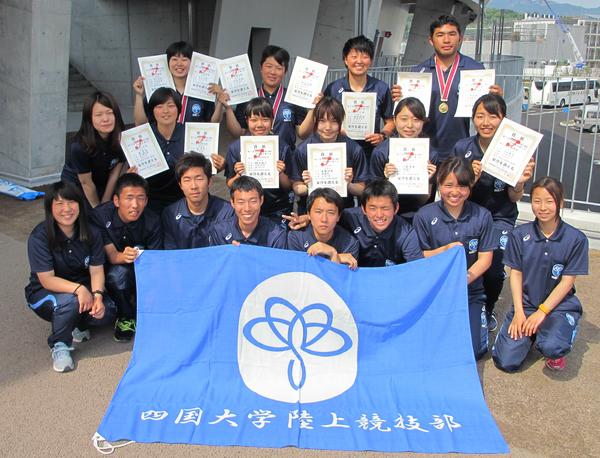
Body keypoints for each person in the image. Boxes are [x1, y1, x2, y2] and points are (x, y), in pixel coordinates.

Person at [452, 94, 535, 331]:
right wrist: (471, 180)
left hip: (501, 216)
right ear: (473, 119)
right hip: (469, 214)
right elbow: (453, 192)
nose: (485, 121)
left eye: (492, 116)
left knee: (495, 266)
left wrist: (519, 183)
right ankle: (464, 306)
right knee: (465, 260)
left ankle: (487, 309)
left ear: (503, 119)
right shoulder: (463, 147)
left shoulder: (514, 148)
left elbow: (513, 196)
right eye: (480, 116)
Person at [492, 177, 589, 372]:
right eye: (537, 201)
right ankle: (532, 334)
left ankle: (556, 335)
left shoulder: (576, 239)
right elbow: (516, 275)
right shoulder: (519, 235)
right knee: (506, 362)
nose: (542, 207)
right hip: (526, 305)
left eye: (549, 201)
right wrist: (519, 312)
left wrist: (542, 312)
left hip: (558, 308)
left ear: (561, 203)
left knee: (552, 347)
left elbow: (567, 282)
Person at [25, 182, 116, 372]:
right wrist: (80, 289)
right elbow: (47, 279)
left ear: (80, 205)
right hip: (44, 293)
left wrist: (97, 296)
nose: (66, 209)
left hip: (80, 289)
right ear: (50, 208)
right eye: (59, 204)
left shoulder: (91, 232)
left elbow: (97, 269)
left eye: (71, 202)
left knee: (108, 310)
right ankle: (60, 345)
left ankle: (75, 323)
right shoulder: (39, 237)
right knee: (70, 302)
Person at [413, 157, 496, 360]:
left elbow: (485, 259)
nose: (455, 192)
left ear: (470, 187)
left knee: (473, 351)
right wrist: (445, 250)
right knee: (428, 347)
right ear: (439, 185)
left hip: (470, 292)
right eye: (448, 185)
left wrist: (463, 280)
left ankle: (480, 319)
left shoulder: (482, 216)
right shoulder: (424, 215)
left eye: (462, 186)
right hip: (435, 292)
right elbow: (419, 255)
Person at [392, 15, 503, 160]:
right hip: (424, 148)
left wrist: (497, 98)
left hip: (461, 148)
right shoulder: (418, 72)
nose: (446, 40)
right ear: (431, 41)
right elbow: (406, 110)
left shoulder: (475, 69)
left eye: (452, 34)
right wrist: (398, 98)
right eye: (440, 35)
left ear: (460, 38)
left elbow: (488, 109)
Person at [91, 174, 162, 342]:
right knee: (117, 275)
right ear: (116, 200)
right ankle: (126, 317)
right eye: (129, 198)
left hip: (142, 268)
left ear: (146, 201)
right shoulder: (100, 216)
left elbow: (156, 262)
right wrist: (123, 256)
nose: (135, 205)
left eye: (140, 198)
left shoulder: (153, 221)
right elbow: (112, 256)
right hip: (106, 269)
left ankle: (142, 309)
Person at [219, 45, 309, 150]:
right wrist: (228, 108)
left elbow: (302, 134)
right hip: (256, 157)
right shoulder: (248, 97)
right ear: (261, 68)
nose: (273, 72)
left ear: (285, 71)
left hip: (286, 160)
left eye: (279, 68)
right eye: (269, 66)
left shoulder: (293, 98)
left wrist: (312, 109)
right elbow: (238, 133)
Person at [320, 35, 395, 161]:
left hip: (370, 153)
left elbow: (390, 121)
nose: (359, 61)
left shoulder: (381, 88)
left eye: (365, 57)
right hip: (339, 151)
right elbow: (321, 120)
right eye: (354, 57)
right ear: (345, 60)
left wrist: (382, 135)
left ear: (370, 60)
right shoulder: (333, 88)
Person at [291, 96, 369, 211]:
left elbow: (362, 189)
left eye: (333, 122)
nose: (328, 128)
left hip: (344, 210)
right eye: (322, 121)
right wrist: (307, 186)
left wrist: (348, 184)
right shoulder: (303, 150)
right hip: (311, 211)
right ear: (315, 122)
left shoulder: (354, 149)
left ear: (341, 122)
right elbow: (296, 187)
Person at [224, 97, 294, 224]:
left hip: (277, 208)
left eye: (265, 120)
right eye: (254, 120)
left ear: (272, 121)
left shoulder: (282, 147)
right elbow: (229, 183)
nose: (260, 125)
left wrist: (280, 173)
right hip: (247, 209)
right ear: (247, 121)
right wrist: (239, 175)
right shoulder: (236, 148)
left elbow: (289, 185)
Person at [370, 97, 438, 222]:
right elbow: (372, 198)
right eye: (404, 119)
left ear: (423, 122)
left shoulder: (431, 154)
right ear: (395, 120)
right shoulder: (381, 152)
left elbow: (426, 199)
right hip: (386, 217)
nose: (410, 125)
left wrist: (426, 180)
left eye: (416, 120)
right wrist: (385, 180)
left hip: (418, 215)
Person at [133, 41, 222, 126]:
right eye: (174, 59)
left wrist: (220, 102)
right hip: (163, 141)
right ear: (167, 62)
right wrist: (138, 95)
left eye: (184, 59)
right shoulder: (158, 90)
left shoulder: (203, 91)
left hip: (192, 141)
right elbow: (141, 123)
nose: (179, 64)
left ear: (193, 62)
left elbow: (213, 123)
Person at [61, 91, 125, 209]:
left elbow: (114, 174)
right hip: (78, 185)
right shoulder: (79, 146)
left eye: (109, 113)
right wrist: (97, 209)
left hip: (102, 182)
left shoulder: (122, 138)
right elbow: (86, 183)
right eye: (98, 115)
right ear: (89, 119)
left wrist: (105, 202)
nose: (105, 119)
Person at [340, 178, 423, 267]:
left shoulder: (406, 232)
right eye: (372, 208)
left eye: (385, 208)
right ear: (363, 208)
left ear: (396, 208)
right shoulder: (348, 217)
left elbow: (416, 268)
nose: (379, 215)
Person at [162, 153, 233, 250]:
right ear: (180, 185)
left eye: (199, 179)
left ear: (209, 181)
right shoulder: (170, 213)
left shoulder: (227, 211)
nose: (194, 186)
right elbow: (170, 254)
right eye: (187, 180)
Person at [288, 188, 359, 269]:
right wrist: (337, 258)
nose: (324, 219)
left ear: (338, 217)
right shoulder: (296, 238)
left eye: (331, 213)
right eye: (318, 212)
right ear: (308, 214)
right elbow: (296, 272)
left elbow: (341, 279)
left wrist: (333, 253)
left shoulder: (350, 243)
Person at [208, 176, 287, 248]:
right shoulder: (220, 231)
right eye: (241, 202)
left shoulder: (276, 234)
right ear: (232, 202)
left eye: (253, 201)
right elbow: (216, 261)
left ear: (261, 200)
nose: (247, 208)